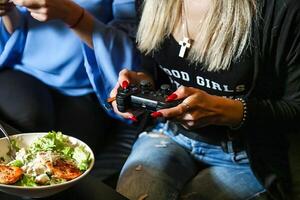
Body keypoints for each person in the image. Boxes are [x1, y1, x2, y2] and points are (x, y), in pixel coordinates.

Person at [110, 0, 300, 199]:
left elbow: (295, 110)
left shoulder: (282, 10)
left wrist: (227, 111)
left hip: (248, 157)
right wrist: (141, 84)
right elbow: (154, 69)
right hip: (169, 135)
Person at [0, 0, 140, 152]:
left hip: (89, 87)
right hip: (25, 72)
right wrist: (7, 12)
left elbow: (134, 53)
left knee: (64, 152)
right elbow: (14, 35)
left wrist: (73, 16)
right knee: (28, 118)